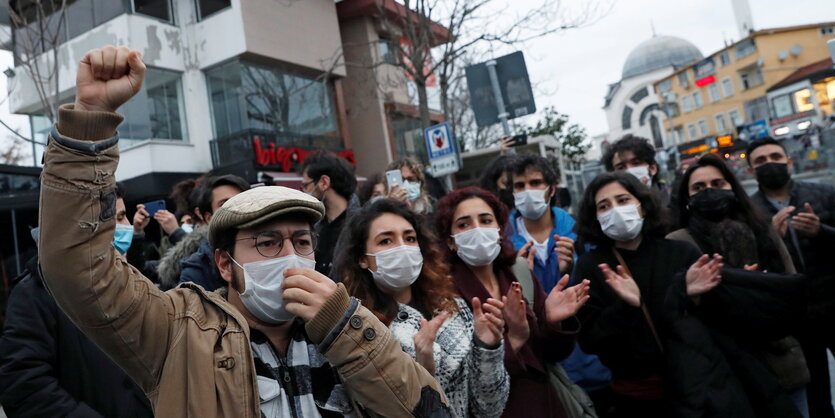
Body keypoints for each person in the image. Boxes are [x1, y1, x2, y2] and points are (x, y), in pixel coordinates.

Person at [36, 45, 451, 417]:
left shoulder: (349, 326)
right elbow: (78, 268)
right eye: (268, 242)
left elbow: (428, 410)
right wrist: (89, 122)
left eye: (301, 241)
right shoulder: (177, 330)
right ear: (224, 262)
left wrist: (347, 330)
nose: (290, 255)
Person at [335, 199, 510, 417]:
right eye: (386, 241)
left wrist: (486, 346)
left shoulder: (450, 306)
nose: (402, 248)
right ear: (363, 259)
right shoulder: (361, 331)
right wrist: (424, 373)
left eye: (409, 238)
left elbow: (489, 408)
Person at [667, 153, 810, 417]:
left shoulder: (762, 230)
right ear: (686, 199)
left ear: (733, 187)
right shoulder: (678, 243)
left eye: (718, 184)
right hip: (725, 370)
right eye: (698, 188)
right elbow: (678, 306)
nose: (709, 192)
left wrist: (760, 286)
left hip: (781, 360)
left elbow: (791, 288)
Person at [572, 172, 722, 417]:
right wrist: (626, 307)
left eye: (623, 200)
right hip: (636, 399)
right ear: (595, 218)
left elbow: (714, 320)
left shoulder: (680, 252)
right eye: (604, 206)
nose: (616, 210)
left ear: (642, 205)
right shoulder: (591, 266)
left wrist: (690, 294)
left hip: (699, 388)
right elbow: (589, 339)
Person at [435, 186, 589, 417]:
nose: (477, 229)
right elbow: (461, 384)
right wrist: (513, 341)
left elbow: (550, 355)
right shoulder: (444, 295)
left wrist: (553, 322)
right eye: (464, 224)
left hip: (547, 404)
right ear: (451, 241)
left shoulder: (518, 272)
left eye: (486, 220)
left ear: (499, 230)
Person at [0, 232, 153, 417]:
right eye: (117, 217)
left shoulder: (126, 283)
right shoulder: (34, 294)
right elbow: (24, 386)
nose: (126, 227)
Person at [746, 137, 835, 418]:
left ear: (789, 161)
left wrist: (822, 231)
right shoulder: (750, 213)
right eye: (760, 161)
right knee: (816, 392)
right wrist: (773, 241)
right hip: (797, 318)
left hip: (834, 302)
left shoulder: (823, 194)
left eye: (775, 157)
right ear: (750, 171)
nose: (769, 164)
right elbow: (753, 268)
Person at [162, 174, 250, 291]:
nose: (237, 209)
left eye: (242, 201)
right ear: (208, 218)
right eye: (225, 204)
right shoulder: (196, 271)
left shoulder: (275, 244)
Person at [506, 154, 576, 293]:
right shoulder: (503, 242)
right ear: (513, 192)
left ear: (552, 189)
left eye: (535, 183)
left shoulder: (576, 232)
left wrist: (570, 270)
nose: (528, 191)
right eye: (520, 185)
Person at [300, 150, 360, 276]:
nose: (304, 192)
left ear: (324, 182)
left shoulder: (362, 225)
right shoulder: (315, 227)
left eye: (305, 186)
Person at [602, 135, 670, 205]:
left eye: (636, 163)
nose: (629, 170)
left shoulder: (674, 204)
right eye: (621, 167)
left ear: (652, 169)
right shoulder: (614, 210)